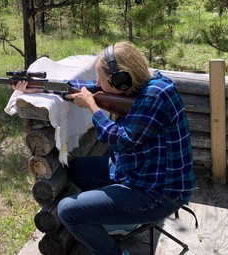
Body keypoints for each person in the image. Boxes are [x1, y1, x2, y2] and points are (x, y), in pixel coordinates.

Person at [14, 41, 196, 255]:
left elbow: (121, 141)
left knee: (67, 211)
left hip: (158, 195)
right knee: (78, 169)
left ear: (121, 81)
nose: (98, 82)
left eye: (102, 78)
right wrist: (35, 86)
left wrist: (92, 106)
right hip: (141, 173)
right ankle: (119, 217)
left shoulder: (154, 96)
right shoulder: (144, 84)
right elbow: (86, 87)